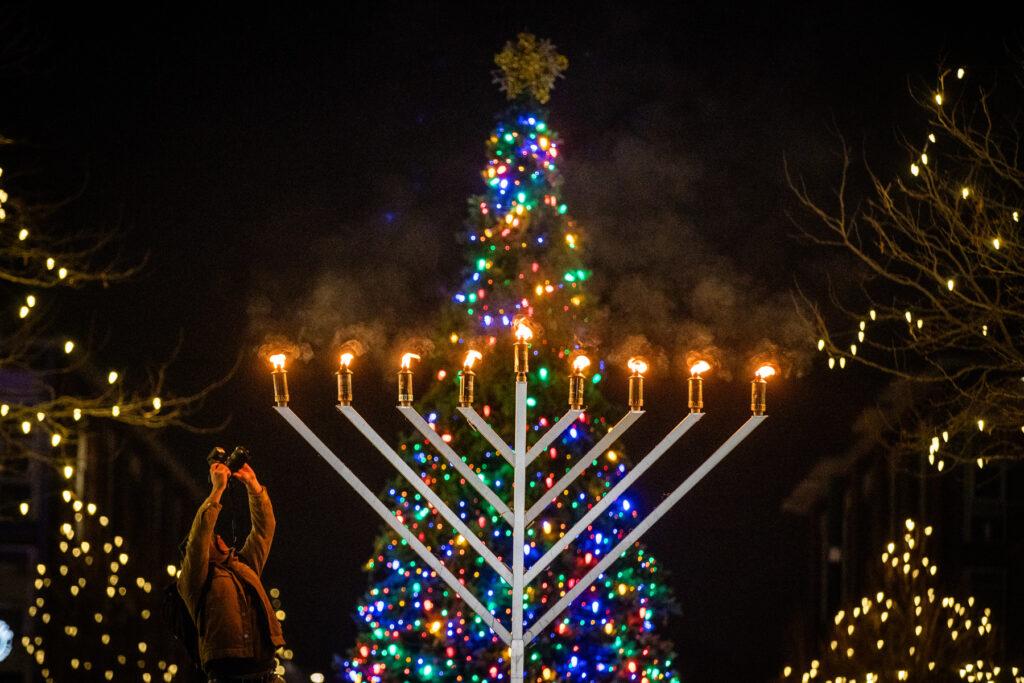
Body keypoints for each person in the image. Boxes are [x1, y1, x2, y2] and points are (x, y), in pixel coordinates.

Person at [178, 460, 286, 682]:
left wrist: (254, 488)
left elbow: (264, 531)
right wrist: (217, 490)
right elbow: (200, 535)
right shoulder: (197, 578)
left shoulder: (243, 567)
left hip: (265, 674)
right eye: (212, 536)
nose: (217, 535)